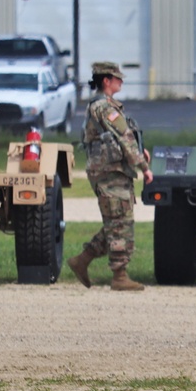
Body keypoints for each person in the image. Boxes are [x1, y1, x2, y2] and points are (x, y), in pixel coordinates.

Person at [67, 61, 153, 291]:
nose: (121, 81)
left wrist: (139, 149)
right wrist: (144, 167)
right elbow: (124, 137)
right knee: (119, 222)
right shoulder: (104, 107)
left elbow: (124, 137)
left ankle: (82, 260)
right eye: (117, 78)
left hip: (111, 171)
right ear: (106, 80)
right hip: (109, 172)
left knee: (118, 221)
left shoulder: (105, 106)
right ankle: (119, 276)